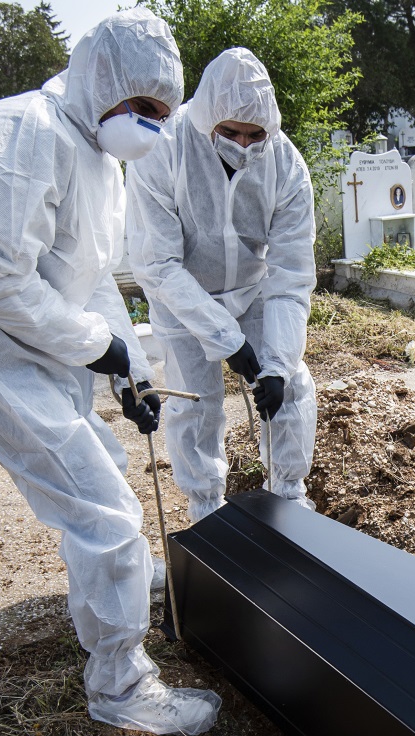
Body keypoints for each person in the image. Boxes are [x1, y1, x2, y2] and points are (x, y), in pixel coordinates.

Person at [0, 10, 220, 736]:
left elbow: (92, 280)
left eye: (163, 113)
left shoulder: (98, 160)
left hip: (38, 343)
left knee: (105, 469)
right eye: (143, 107)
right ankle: (120, 685)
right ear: (102, 81)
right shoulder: (23, 134)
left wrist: (131, 369)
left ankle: (117, 585)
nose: (151, 125)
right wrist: (99, 348)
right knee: (104, 511)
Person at [127, 46, 318, 523]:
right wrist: (225, 339)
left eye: (255, 135)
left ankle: (289, 496)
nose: (242, 144)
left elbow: (291, 274)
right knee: (197, 406)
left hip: (251, 290)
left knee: (289, 386)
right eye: (229, 132)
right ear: (206, 117)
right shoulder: (163, 150)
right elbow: (159, 264)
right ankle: (206, 509)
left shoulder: (286, 165)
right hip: (181, 296)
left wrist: (274, 363)